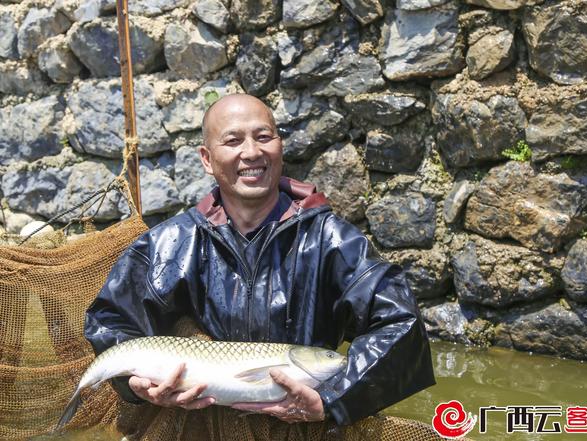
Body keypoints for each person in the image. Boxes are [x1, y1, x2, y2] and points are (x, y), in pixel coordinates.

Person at [84, 94, 435, 426]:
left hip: (305, 424)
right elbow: (111, 323)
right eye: (233, 141)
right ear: (207, 158)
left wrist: (331, 398)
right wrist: (137, 386)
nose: (251, 152)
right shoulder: (171, 243)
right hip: (199, 423)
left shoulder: (333, 240)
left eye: (263, 136)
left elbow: (401, 326)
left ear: (280, 146)